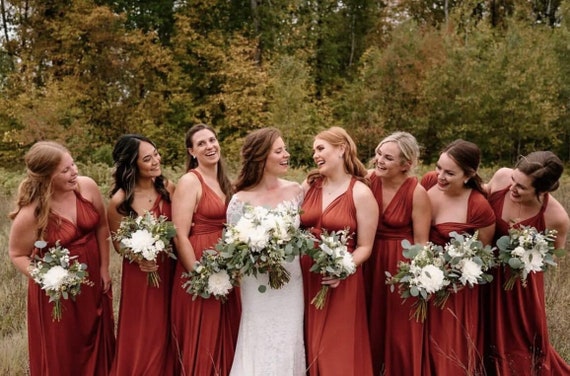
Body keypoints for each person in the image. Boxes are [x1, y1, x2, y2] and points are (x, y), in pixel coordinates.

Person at [8, 141, 115, 375]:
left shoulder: (87, 187)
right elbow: (17, 254)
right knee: (65, 348)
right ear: (47, 177)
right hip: (57, 292)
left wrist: (104, 268)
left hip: (93, 280)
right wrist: (48, 278)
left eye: (73, 164)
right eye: (65, 170)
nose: (74, 171)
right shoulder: (32, 212)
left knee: (98, 336)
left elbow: (102, 227)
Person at [300, 126, 379, 376]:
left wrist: (342, 268)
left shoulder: (361, 193)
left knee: (335, 347)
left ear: (342, 149)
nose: (315, 155)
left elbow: (365, 246)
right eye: (314, 150)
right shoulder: (310, 185)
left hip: (340, 281)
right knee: (307, 344)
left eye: (321, 148)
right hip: (304, 277)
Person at [228, 127, 306, 376]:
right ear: (261, 156)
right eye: (279, 150)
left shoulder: (296, 191)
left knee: (289, 336)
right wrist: (256, 257)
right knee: (258, 334)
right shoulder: (239, 199)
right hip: (256, 281)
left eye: (285, 149)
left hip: (290, 280)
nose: (287, 155)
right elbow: (233, 244)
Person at [484, 151, 570, 375]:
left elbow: (552, 260)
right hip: (483, 275)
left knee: (520, 345)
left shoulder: (556, 217)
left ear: (542, 191)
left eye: (521, 187)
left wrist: (524, 255)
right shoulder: (502, 177)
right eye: (514, 180)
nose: (513, 188)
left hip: (519, 290)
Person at [420, 139, 496, 375]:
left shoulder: (478, 206)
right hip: (420, 278)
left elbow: (482, 254)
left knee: (446, 347)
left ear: (468, 174)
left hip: (453, 290)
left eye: (449, 172)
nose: (440, 176)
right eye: (438, 167)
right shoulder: (429, 182)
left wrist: (454, 273)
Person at [170, 124, 241, 376]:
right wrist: (198, 274)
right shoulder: (190, 181)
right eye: (202, 143)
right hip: (201, 262)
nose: (210, 146)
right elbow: (179, 233)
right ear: (192, 151)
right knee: (206, 334)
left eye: (212, 139)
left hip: (228, 264)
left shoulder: (226, 181)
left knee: (228, 330)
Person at [363, 131, 431, 376]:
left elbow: (422, 242)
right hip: (367, 259)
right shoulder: (367, 180)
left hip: (399, 264)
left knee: (398, 328)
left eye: (388, 158)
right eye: (379, 154)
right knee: (367, 320)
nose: (379, 160)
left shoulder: (417, 193)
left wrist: (417, 279)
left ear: (406, 164)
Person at [107, 134, 176, 375]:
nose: (156, 161)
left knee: (169, 324)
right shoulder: (119, 202)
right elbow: (118, 244)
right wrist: (140, 257)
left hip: (170, 268)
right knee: (146, 330)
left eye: (156, 154)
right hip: (141, 275)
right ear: (132, 164)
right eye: (148, 158)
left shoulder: (168, 188)